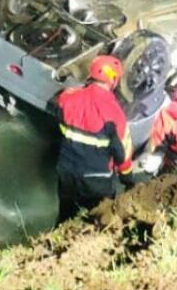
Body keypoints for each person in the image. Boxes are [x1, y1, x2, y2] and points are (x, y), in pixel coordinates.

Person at [48, 55, 133, 222]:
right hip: (96, 178)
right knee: (98, 218)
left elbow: (58, 113)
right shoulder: (115, 114)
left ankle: (57, 238)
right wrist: (127, 179)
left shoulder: (68, 97)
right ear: (113, 80)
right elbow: (122, 152)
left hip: (67, 172)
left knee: (66, 215)